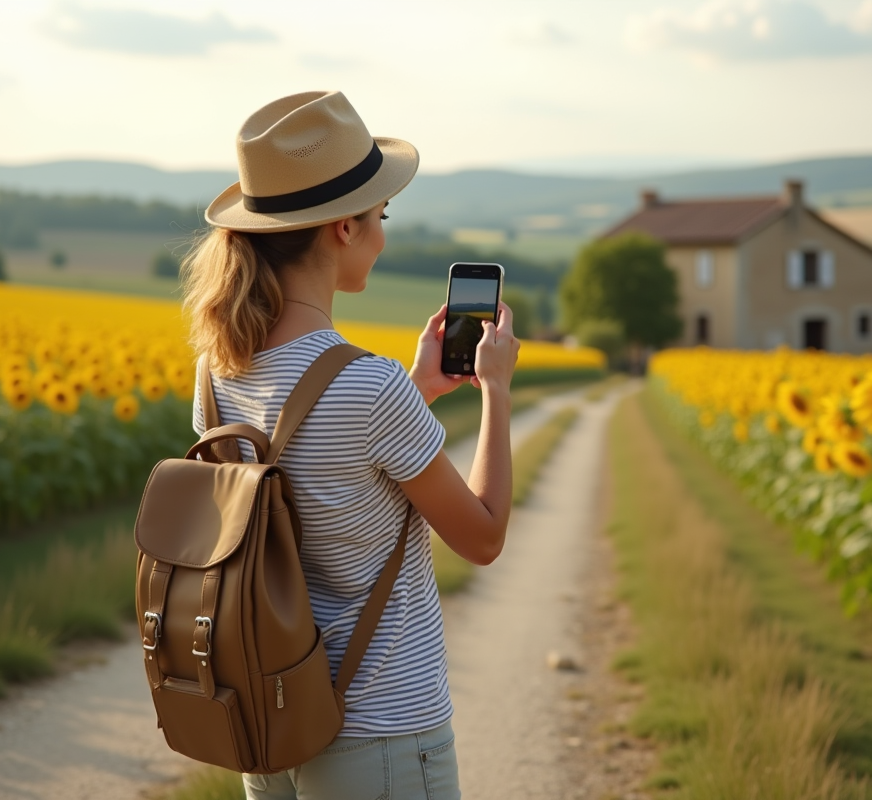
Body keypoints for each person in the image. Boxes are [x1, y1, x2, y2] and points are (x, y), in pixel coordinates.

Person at [182, 90, 518, 799]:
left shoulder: (217, 369)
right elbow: (483, 537)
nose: (383, 235)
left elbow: (297, 470)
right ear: (342, 228)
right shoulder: (370, 387)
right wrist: (496, 390)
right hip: (381, 735)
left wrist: (417, 390)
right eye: (379, 217)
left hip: (270, 724)